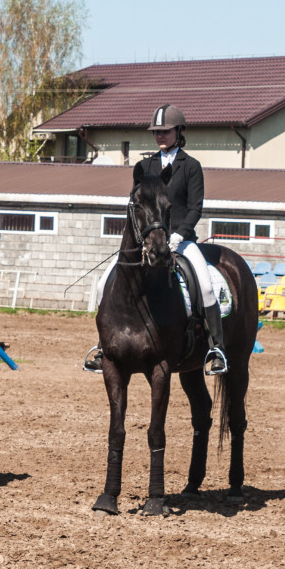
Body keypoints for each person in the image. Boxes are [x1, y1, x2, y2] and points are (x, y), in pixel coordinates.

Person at [84, 104, 226, 375]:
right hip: (148, 241)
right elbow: (136, 205)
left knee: (206, 287)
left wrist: (179, 234)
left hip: (181, 240)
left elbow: (195, 207)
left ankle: (215, 348)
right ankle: (104, 347)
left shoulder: (191, 167)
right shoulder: (144, 166)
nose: (160, 136)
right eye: (156, 132)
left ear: (179, 131)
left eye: (165, 131)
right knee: (104, 284)